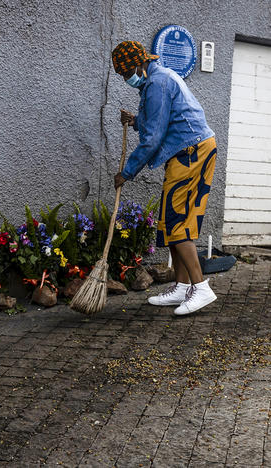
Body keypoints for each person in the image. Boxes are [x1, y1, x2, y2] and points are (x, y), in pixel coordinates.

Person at [111, 41, 217, 316]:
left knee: (176, 220)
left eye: (126, 73)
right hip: (189, 150)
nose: (126, 79)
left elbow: (153, 138)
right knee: (171, 221)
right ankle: (182, 287)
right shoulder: (156, 80)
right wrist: (135, 121)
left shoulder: (157, 84)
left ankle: (200, 287)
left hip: (191, 151)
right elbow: (156, 121)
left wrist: (127, 172)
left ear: (138, 64)